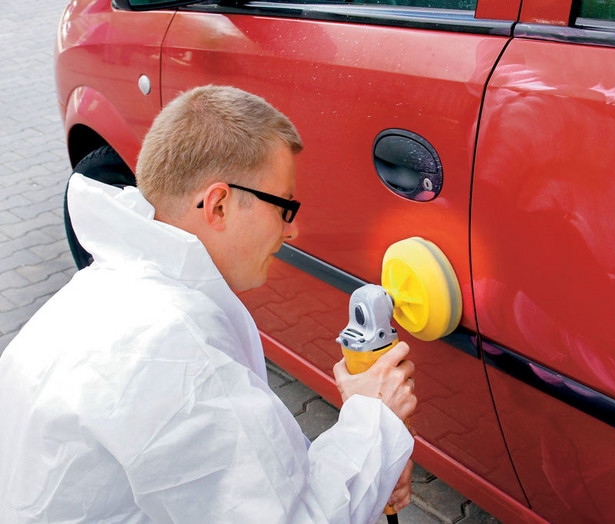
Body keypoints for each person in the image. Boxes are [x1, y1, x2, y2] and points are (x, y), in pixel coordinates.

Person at [0, 85, 417, 523]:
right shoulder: (175, 352)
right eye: (284, 207)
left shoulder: (99, 295)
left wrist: (370, 451)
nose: (291, 232)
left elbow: (253, 484)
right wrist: (376, 419)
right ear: (217, 205)